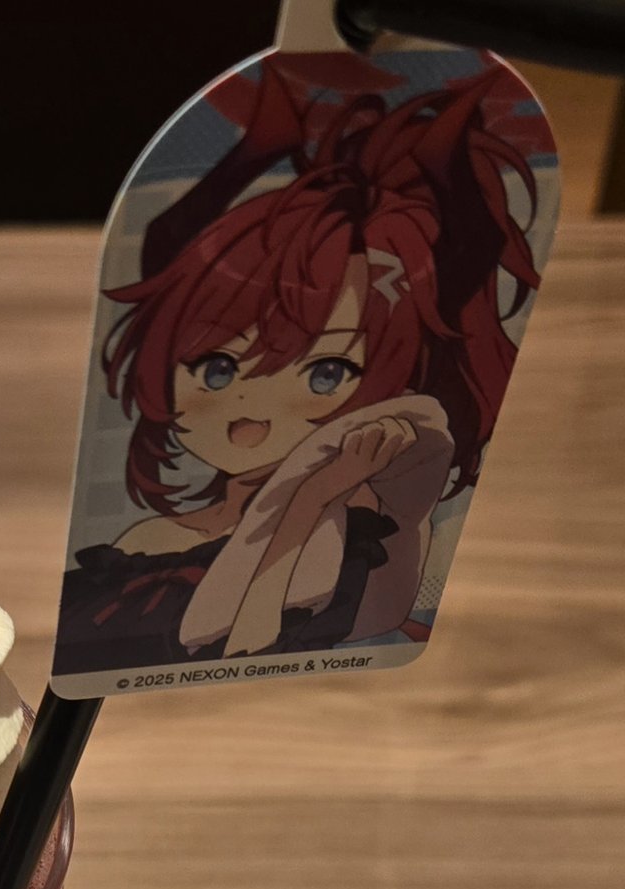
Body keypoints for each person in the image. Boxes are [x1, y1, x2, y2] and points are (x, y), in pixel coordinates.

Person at [56, 60, 545, 673]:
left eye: (325, 375)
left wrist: (313, 494)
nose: (251, 417)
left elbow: (262, 637)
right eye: (215, 369)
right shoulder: (146, 544)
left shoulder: (364, 530)